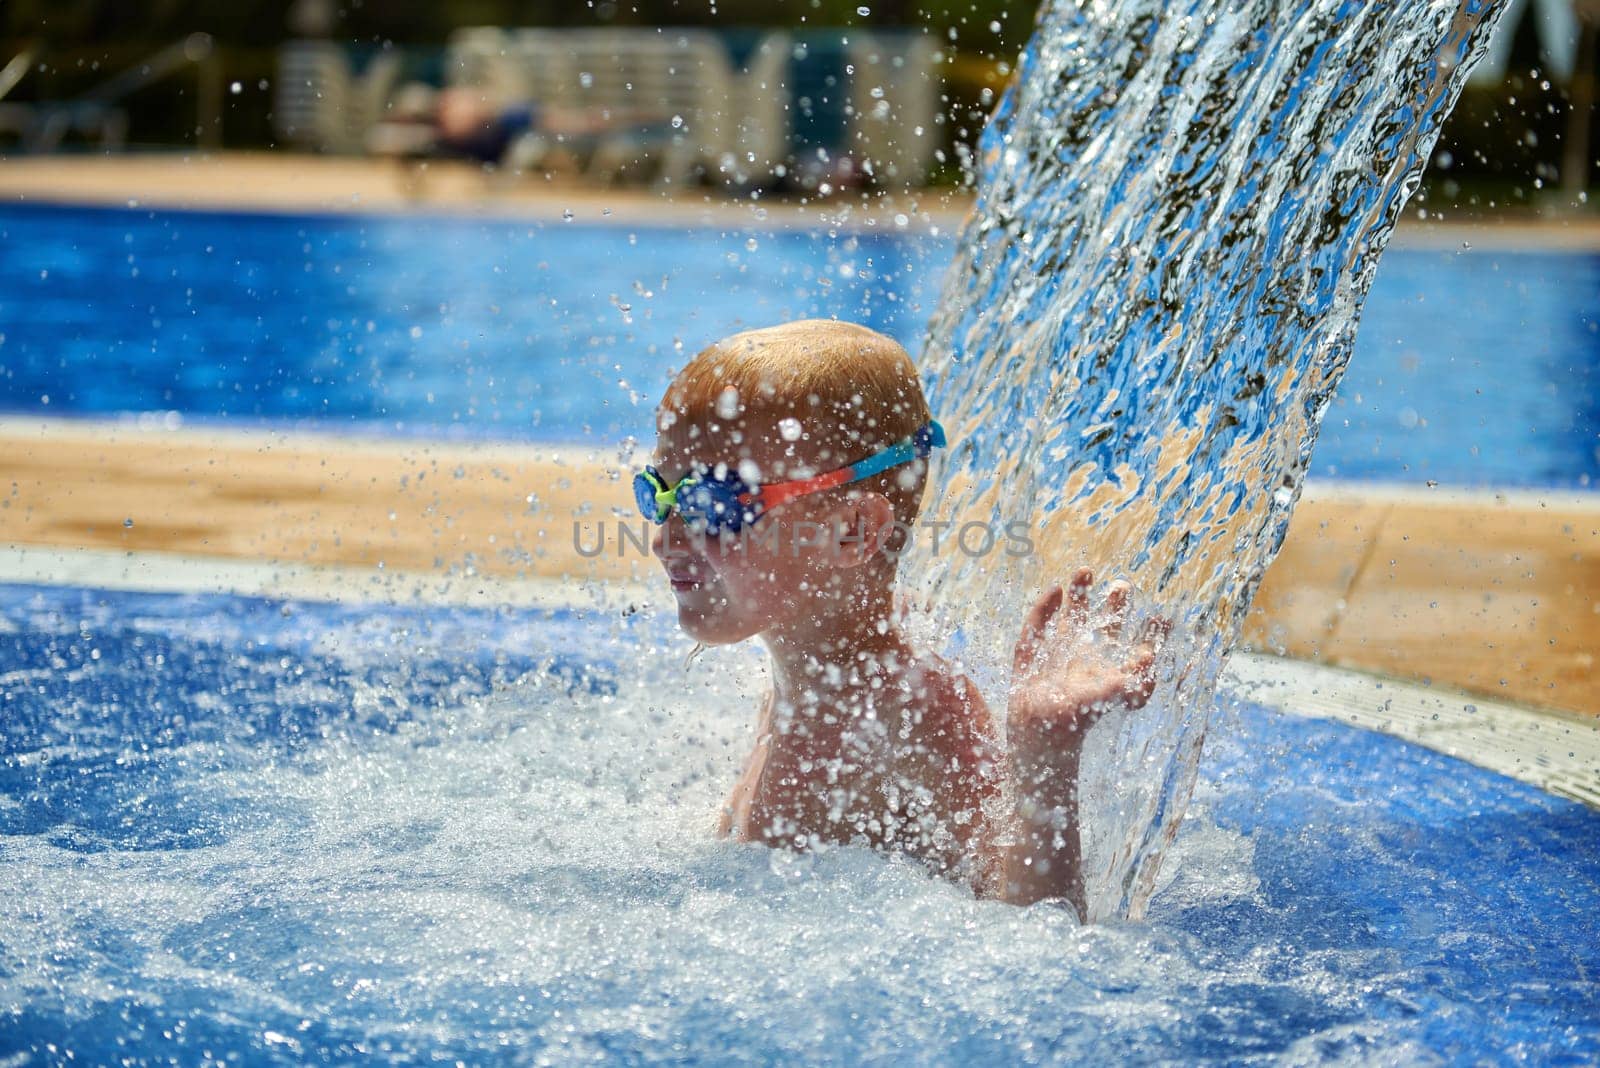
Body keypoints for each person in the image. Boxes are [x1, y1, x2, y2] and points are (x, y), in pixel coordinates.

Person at [632, 319, 1167, 918]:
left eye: (714, 503)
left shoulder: (911, 713)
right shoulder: (806, 670)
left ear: (854, 532)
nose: (665, 538)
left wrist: (1043, 757)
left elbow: (1029, 925)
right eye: (659, 491)